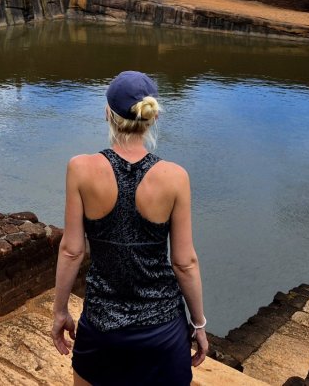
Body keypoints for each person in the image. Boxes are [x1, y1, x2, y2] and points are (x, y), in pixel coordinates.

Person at [51, 70, 208, 385]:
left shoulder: (80, 169)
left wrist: (60, 311)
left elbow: (71, 250)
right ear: (152, 119)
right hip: (162, 331)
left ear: (107, 113)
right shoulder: (175, 177)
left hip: (101, 327)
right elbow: (184, 262)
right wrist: (199, 323)